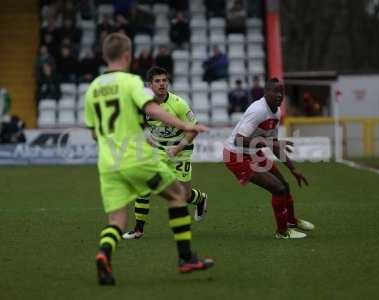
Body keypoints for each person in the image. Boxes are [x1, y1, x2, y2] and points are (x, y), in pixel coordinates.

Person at [85, 33, 214, 286]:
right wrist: (186, 125)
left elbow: (93, 133)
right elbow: (153, 109)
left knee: (116, 221)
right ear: (126, 55)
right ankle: (186, 258)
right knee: (177, 196)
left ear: (104, 56)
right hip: (136, 159)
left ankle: (104, 254)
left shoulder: (93, 89)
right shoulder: (131, 81)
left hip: (108, 164)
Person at [123, 66, 208, 240]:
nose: (162, 84)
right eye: (157, 81)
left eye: (164, 80)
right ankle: (138, 229)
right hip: (158, 150)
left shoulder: (178, 104)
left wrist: (177, 149)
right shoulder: (144, 103)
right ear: (150, 85)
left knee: (182, 195)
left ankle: (200, 199)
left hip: (181, 149)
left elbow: (193, 130)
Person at [223, 78, 315, 239]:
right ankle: (282, 232)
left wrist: (294, 169)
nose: (280, 95)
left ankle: (292, 221)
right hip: (236, 155)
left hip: (252, 152)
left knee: (284, 186)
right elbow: (239, 139)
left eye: (282, 92)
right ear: (266, 93)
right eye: (276, 91)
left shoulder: (277, 112)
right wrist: (266, 143)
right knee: (278, 189)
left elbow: (273, 144)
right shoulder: (258, 110)